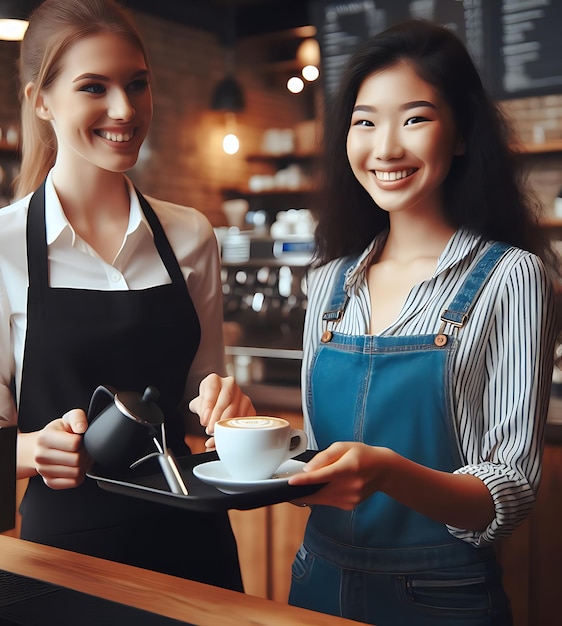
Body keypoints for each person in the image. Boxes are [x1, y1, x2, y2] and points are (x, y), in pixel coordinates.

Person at [191, 18, 560, 625]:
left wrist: (388, 472)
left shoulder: (512, 276)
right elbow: (322, 455)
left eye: (414, 118)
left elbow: (509, 490)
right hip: (317, 581)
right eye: (365, 122)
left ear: (462, 133)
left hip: (443, 598)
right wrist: (250, 427)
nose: (385, 147)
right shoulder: (330, 280)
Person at [0, 0, 253, 591]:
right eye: (94, 87)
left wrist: (226, 407)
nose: (124, 109)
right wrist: (36, 450)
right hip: (69, 556)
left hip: (197, 544)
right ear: (41, 101)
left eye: (138, 85)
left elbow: (202, 390)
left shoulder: (191, 234)